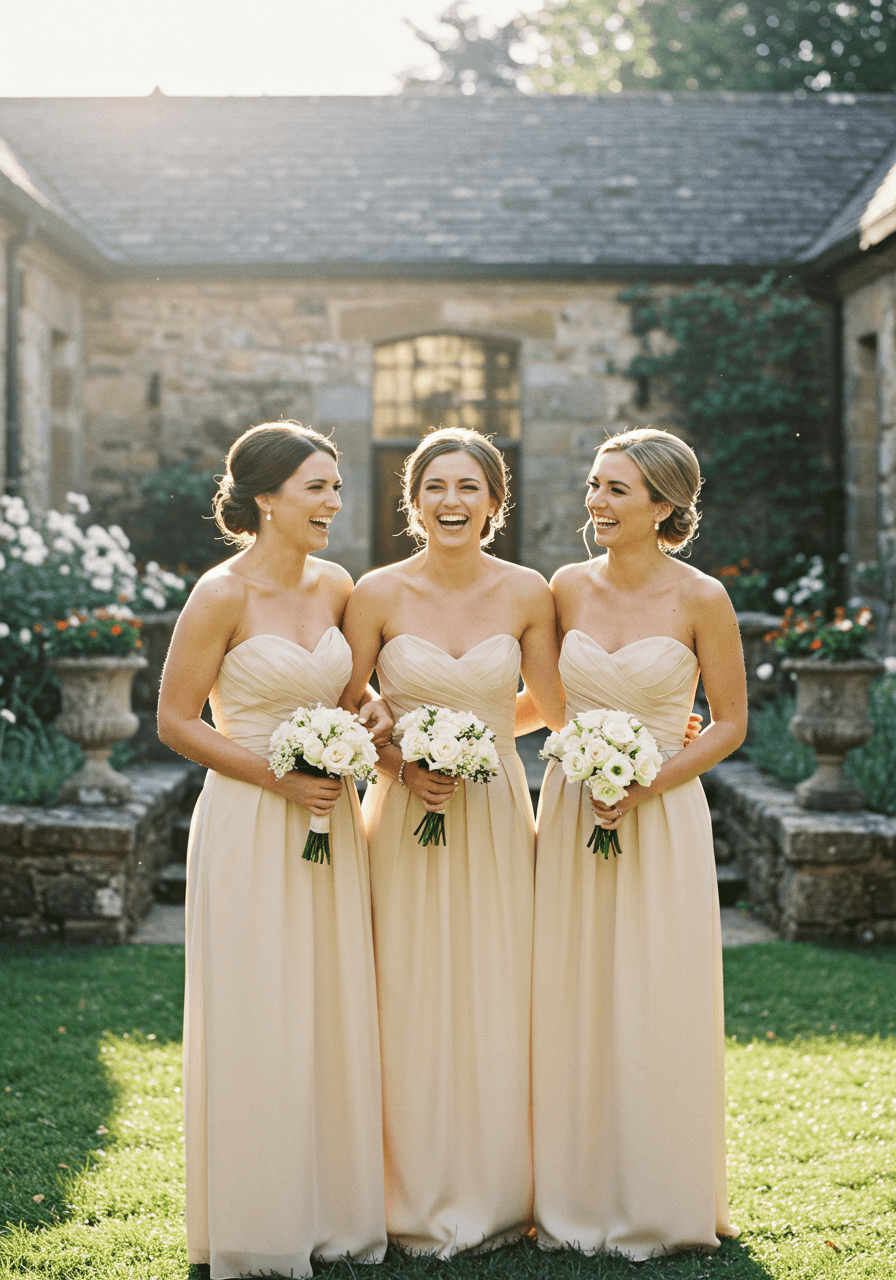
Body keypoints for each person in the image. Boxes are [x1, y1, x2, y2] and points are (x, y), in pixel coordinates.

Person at [157, 422, 391, 1280]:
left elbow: (355, 691)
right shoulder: (221, 594)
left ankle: (333, 1209)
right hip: (253, 819)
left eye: (334, 487)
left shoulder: (336, 587)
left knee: (330, 1004)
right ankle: (258, 1219)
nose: (335, 501)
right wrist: (279, 779)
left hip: (333, 819)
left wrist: (368, 718)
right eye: (318, 487)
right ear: (267, 498)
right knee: (261, 1010)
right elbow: (176, 720)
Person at [340, 426, 565, 1257]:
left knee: (498, 983)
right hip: (401, 810)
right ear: (413, 501)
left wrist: (476, 743)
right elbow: (343, 702)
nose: (451, 502)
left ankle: (499, 1189)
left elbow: (550, 703)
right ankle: (404, 1188)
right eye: (435, 486)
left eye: (469, 487)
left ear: (496, 505)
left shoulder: (527, 592)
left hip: (499, 805)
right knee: (403, 984)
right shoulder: (376, 594)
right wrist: (401, 757)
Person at [531, 427, 746, 1259]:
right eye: (593, 485)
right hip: (574, 805)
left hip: (661, 814)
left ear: (664, 504)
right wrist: (435, 726)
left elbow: (729, 723)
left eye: (616, 489)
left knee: (658, 996)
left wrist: (651, 776)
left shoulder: (702, 599)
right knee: (571, 991)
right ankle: (573, 1190)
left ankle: (663, 1193)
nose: (596, 502)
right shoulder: (564, 589)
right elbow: (543, 703)